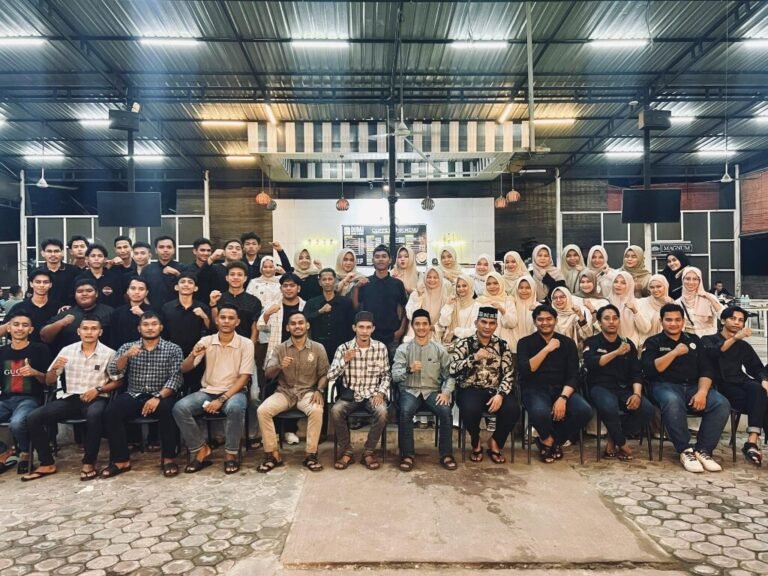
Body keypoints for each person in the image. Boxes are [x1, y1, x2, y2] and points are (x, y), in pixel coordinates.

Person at [22, 315, 120, 481]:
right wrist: (55, 370)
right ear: (78, 331)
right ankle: (47, 463)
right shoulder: (67, 350)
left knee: (95, 415)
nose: (89, 332)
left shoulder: (109, 353)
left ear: (100, 332)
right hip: (70, 397)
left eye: (94, 329)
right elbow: (49, 381)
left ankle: (89, 462)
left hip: (96, 397)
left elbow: (118, 381)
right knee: (33, 417)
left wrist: (98, 389)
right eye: (85, 328)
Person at [641, 303, 730, 473]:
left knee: (721, 403)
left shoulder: (694, 340)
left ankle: (703, 450)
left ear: (683, 321)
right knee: (672, 401)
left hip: (693, 387)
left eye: (677, 320)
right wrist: (674, 352)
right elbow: (651, 369)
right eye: (669, 320)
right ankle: (685, 450)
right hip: (664, 386)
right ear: (661, 321)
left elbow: (706, 370)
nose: (673, 323)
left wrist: (702, 392)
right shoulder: (653, 342)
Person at [175, 304, 254, 474]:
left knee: (235, 408)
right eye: (223, 317)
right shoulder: (206, 341)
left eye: (231, 318)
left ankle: (231, 454)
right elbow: (184, 368)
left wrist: (222, 399)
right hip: (208, 391)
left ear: (237, 322)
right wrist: (193, 355)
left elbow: (244, 378)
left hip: (234, 392)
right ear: (216, 320)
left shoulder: (246, 343)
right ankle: (200, 448)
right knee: (180, 408)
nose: (226, 321)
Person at [103, 312, 183, 478]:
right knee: (111, 412)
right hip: (134, 393)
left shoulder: (173, 349)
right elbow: (114, 371)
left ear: (161, 327)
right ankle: (121, 460)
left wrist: (158, 397)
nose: (150, 328)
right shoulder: (128, 347)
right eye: (146, 325)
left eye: (154, 324)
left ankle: (168, 458)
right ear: (139, 328)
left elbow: (176, 378)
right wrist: (126, 356)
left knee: (169, 410)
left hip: (161, 393)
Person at [517, 305, 592, 464]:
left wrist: (563, 398)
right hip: (535, 389)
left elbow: (573, 375)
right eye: (540, 319)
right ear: (535, 322)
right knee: (540, 413)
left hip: (562, 389)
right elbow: (526, 370)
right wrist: (547, 349)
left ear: (555, 320)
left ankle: (551, 441)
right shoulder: (525, 343)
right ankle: (549, 440)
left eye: (549, 319)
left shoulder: (568, 343)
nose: (545, 323)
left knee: (584, 411)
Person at [257, 311, 329, 473]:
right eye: (293, 324)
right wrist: (279, 366)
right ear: (287, 328)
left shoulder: (318, 348)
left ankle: (311, 454)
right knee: (263, 410)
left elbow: (325, 374)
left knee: (317, 410)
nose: (297, 326)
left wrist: (319, 390)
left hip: (307, 392)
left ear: (307, 325)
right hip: (285, 392)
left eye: (300, 323)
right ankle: (272, 454)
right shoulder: (280, 348)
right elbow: (268, 374)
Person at [448, 306, 519, 464]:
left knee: (513, 409)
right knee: (469, 409)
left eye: (491, 323)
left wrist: (500, 394)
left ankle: (495, 442)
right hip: (470, 389)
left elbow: (508, 373)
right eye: (484, 322)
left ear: (496, 325)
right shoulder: (464, 344)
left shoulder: (502, 345)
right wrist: (473, 358)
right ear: (476, 323)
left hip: (495, 390)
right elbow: (452, 369)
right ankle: (475, 441)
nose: (487, 326)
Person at [583, 305, 653, 461]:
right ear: (599, 322)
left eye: (615, 318)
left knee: (646, 409)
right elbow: (591, 364)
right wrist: (616, 353)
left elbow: (636, 372)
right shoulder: (592, 341)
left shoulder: (627, 343)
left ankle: (613, 438)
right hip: (599, 387)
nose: (611, 322)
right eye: (606, 318)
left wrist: (637, 394)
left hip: (623, 388)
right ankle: (622, 443)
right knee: (609, 406)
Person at [703, 306, 768, 466]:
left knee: (759, 389)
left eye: (740, 320)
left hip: (741, 384)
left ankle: (752, 441)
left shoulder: (743, 346)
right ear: (723, 320)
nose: (737, 323)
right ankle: (751, 444)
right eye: (733, 318)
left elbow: (756, 368)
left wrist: (764, 379)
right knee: (762, 401)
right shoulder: (708, 339)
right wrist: (735, 339)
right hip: (718, 387)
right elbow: (714, 353)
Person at [393, 309, 457, 471]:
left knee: (445, 411)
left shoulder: (439, 349)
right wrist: (409, 369)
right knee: (405, 411)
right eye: (417, 324)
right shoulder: (403, 349)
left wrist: (446, 392)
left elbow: (450, 375)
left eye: (424, 324)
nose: (421, 327)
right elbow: (395, 376)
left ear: (429, 326)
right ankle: (407, 455)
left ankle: (446, 454)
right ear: (412, 326)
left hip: (432, 391)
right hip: (410, 391)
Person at [327, 311, 390, 471]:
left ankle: (368, 451)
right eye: (361, 327)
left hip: (372, 394)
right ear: (354, 328)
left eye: (368, 327)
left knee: (382, 412)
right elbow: (331, 375)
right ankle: (347, 451)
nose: (364, 331)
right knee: (336, 411)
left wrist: (381, 393)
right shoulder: (344, 348)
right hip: (350, 395)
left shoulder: (380, 348)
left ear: (373, 329)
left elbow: (386, 375)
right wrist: (344, 360)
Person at [258, 272, 307, 445]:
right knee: (273, 393)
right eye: (285, 286)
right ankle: (274, 432)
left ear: (298, 288)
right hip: (276, 354)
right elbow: (262, 334)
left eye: (292, 285)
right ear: (281, 288)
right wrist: (266, 315)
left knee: (295, 392)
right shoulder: (273, 306)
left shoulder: (305, 306)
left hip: (300, 354)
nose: (288, 288)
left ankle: (290, 430)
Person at [0, 311, 51, 475]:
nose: (20, 328)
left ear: (31, 329)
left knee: (17, 423)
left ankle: (25, 453)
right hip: (5, 399)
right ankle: (4, 450)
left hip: (30, 399)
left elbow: (49, 380)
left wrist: (35, 373)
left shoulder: (40, 350)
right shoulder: (2, 352)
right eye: (16, 325)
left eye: (24, 325)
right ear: (8, 328)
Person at [353, 244, 408, 360]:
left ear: (390, 260)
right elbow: (356, 307)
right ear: (373, 260)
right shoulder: (365, 283)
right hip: (369, 335)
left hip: (392, 335)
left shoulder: (397, 284)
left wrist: (401, 330)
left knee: (394, 367)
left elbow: (405, 309)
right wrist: (356, 288)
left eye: (384, 256)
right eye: (377, 257)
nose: (381, 259)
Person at [162, 272, 211, 393]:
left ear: (195, 288)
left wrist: (204, 316)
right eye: (182, 282)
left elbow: (211, 330)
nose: (186, 285)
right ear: (176, 287)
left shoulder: (203, 307)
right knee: (172, 388)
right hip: (172, 354)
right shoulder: (167, 308)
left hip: (196, 353)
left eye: (190, 282)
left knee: (194, 387)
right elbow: (162, 332)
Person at [40, 278, 113, 352]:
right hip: (71, 356)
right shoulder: (65, 314)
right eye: (79, 291)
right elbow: (45, 337)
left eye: (89, 291)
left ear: (96, 294)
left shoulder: (110, 312)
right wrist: (61, 323)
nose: (84, 294)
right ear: (75, 295)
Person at [304, 268, 355, 363]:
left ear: (335, 281)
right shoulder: (312, 302)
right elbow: (305, 320)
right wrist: (320, 311)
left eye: (330, 279)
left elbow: (351, 325)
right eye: (324, 279)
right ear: (320, 282)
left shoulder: (346, 302)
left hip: (341, 347)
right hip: (318, 347)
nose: (327, 282)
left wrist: (349, 346)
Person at [209, 261, 260, 346]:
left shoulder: (254, 301)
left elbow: (255, 329)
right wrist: (213, 304)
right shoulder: (218, 298)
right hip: (220, 345)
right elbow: (215, 323)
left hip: (244, 346)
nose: (235, 277)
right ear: (227, 278)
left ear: (245, 278)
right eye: (232, 274)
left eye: (239, 275)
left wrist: (250, 347)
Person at [0, 270, 57, 343]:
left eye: (45, 282)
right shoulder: (19, 307)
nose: (41, 285)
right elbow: (2, 330)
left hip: (54, 349)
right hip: (25, 349)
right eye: (38, 282)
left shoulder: (58, 307)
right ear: (31, 284)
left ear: (50, 284)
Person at [405, 266, 450, 342]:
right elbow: (410, 315)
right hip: (415, 334)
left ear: (440, 279)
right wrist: (419, 297)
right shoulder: (416, 294)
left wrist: (433, 327)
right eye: (429, 277)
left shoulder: (445, 298)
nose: (432, 280)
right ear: (425, 278)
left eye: (435, 277)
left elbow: (445, 322)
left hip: (435, 336)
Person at [677, 266, 724, 337]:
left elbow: (723, 316)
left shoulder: (709, 298)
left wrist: (708, 297)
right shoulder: (678, 302)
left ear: (700, 281)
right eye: (687, 279)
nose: (691, 282)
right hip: (690, 339)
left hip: (709, 338)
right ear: (682, 280)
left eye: (695, 279)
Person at [607, 271, 650, 347]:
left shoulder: (638, 303)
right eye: (616, 282)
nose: (618, 285)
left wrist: (635, 311)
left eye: (623, 283)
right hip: (609, 345)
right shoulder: (606, 302)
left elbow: (645, 328)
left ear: (630, 285)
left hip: (631, 345)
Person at [110, 276, 155, 350]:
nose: (136, 292)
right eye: (133, 288)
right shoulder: (117, 312)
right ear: (127, 291)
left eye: (141, 289)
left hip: (148, 352)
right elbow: (113, 337)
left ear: (146, 292)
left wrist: (142, 315)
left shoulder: (155, 312)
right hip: (123, 352)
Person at [34, 238, 79, 307]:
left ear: (62, 253)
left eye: (56, 251)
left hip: (69, 309)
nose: (53, 254)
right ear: (43, 253)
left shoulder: (74, 271)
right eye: (49, 251)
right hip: (44, 309)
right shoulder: (36, 272)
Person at [141, 235, 184, 306]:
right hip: (153, 310)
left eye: (169, 247)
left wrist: (177, 274)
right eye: (161, 247)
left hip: (177, 310)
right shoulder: (147, 269)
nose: (165, 250)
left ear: (174, 250)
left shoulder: (183, 268)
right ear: (156, 250)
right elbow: (141, 290)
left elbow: (188, 288)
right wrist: (148, 307)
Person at [475, 271, 516, 345]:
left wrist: (502, 311)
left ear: (501, 283)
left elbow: (512, 324)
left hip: (504, 344)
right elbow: (475, 324)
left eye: (495, 283)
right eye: (488, 284)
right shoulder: (480, 301)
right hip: (482, 343)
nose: (492, 286)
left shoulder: (508, 300)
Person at [77, 244, 124, 309]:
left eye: (100, 256)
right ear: (87, 259)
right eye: (93, 256)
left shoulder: (114, 278)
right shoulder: (80, 278)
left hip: (110, 314)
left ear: (105, 259)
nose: (96, 259)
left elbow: (120, 301)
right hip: (86, 314)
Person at [438, 274, 478, 344]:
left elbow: (475, 330)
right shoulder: (452, 302)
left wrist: (455, 332)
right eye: (458, 286)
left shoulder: (477, 305)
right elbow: (443, 323)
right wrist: (448, 305)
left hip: (468, 343)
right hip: (449, 343)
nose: (461, 289)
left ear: (470, 287)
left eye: (464, 286)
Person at [636, 274, 673, 348]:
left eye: (659, 286)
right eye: (652, 287)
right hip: (646, 346)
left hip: (668, 346)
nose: (655, 290)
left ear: (665, 286)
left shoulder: (672, 304)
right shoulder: (640, 303)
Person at [508, 275, 538, 352]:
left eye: (528, 288)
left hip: (533, 348)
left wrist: (537, 311)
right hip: (513, 348)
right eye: (521, 288)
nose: (524, 290)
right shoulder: (511, 305)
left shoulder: (538, 307)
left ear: (533, 288)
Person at [188, 237, 215, 305]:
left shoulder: (215, 268)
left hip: (213, 305)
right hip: (194, 306)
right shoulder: (188, 269)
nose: (206, 253)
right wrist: (210, 260)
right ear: (195, 251)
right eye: (202, 250)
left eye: (208, 250)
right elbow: (197, 279)